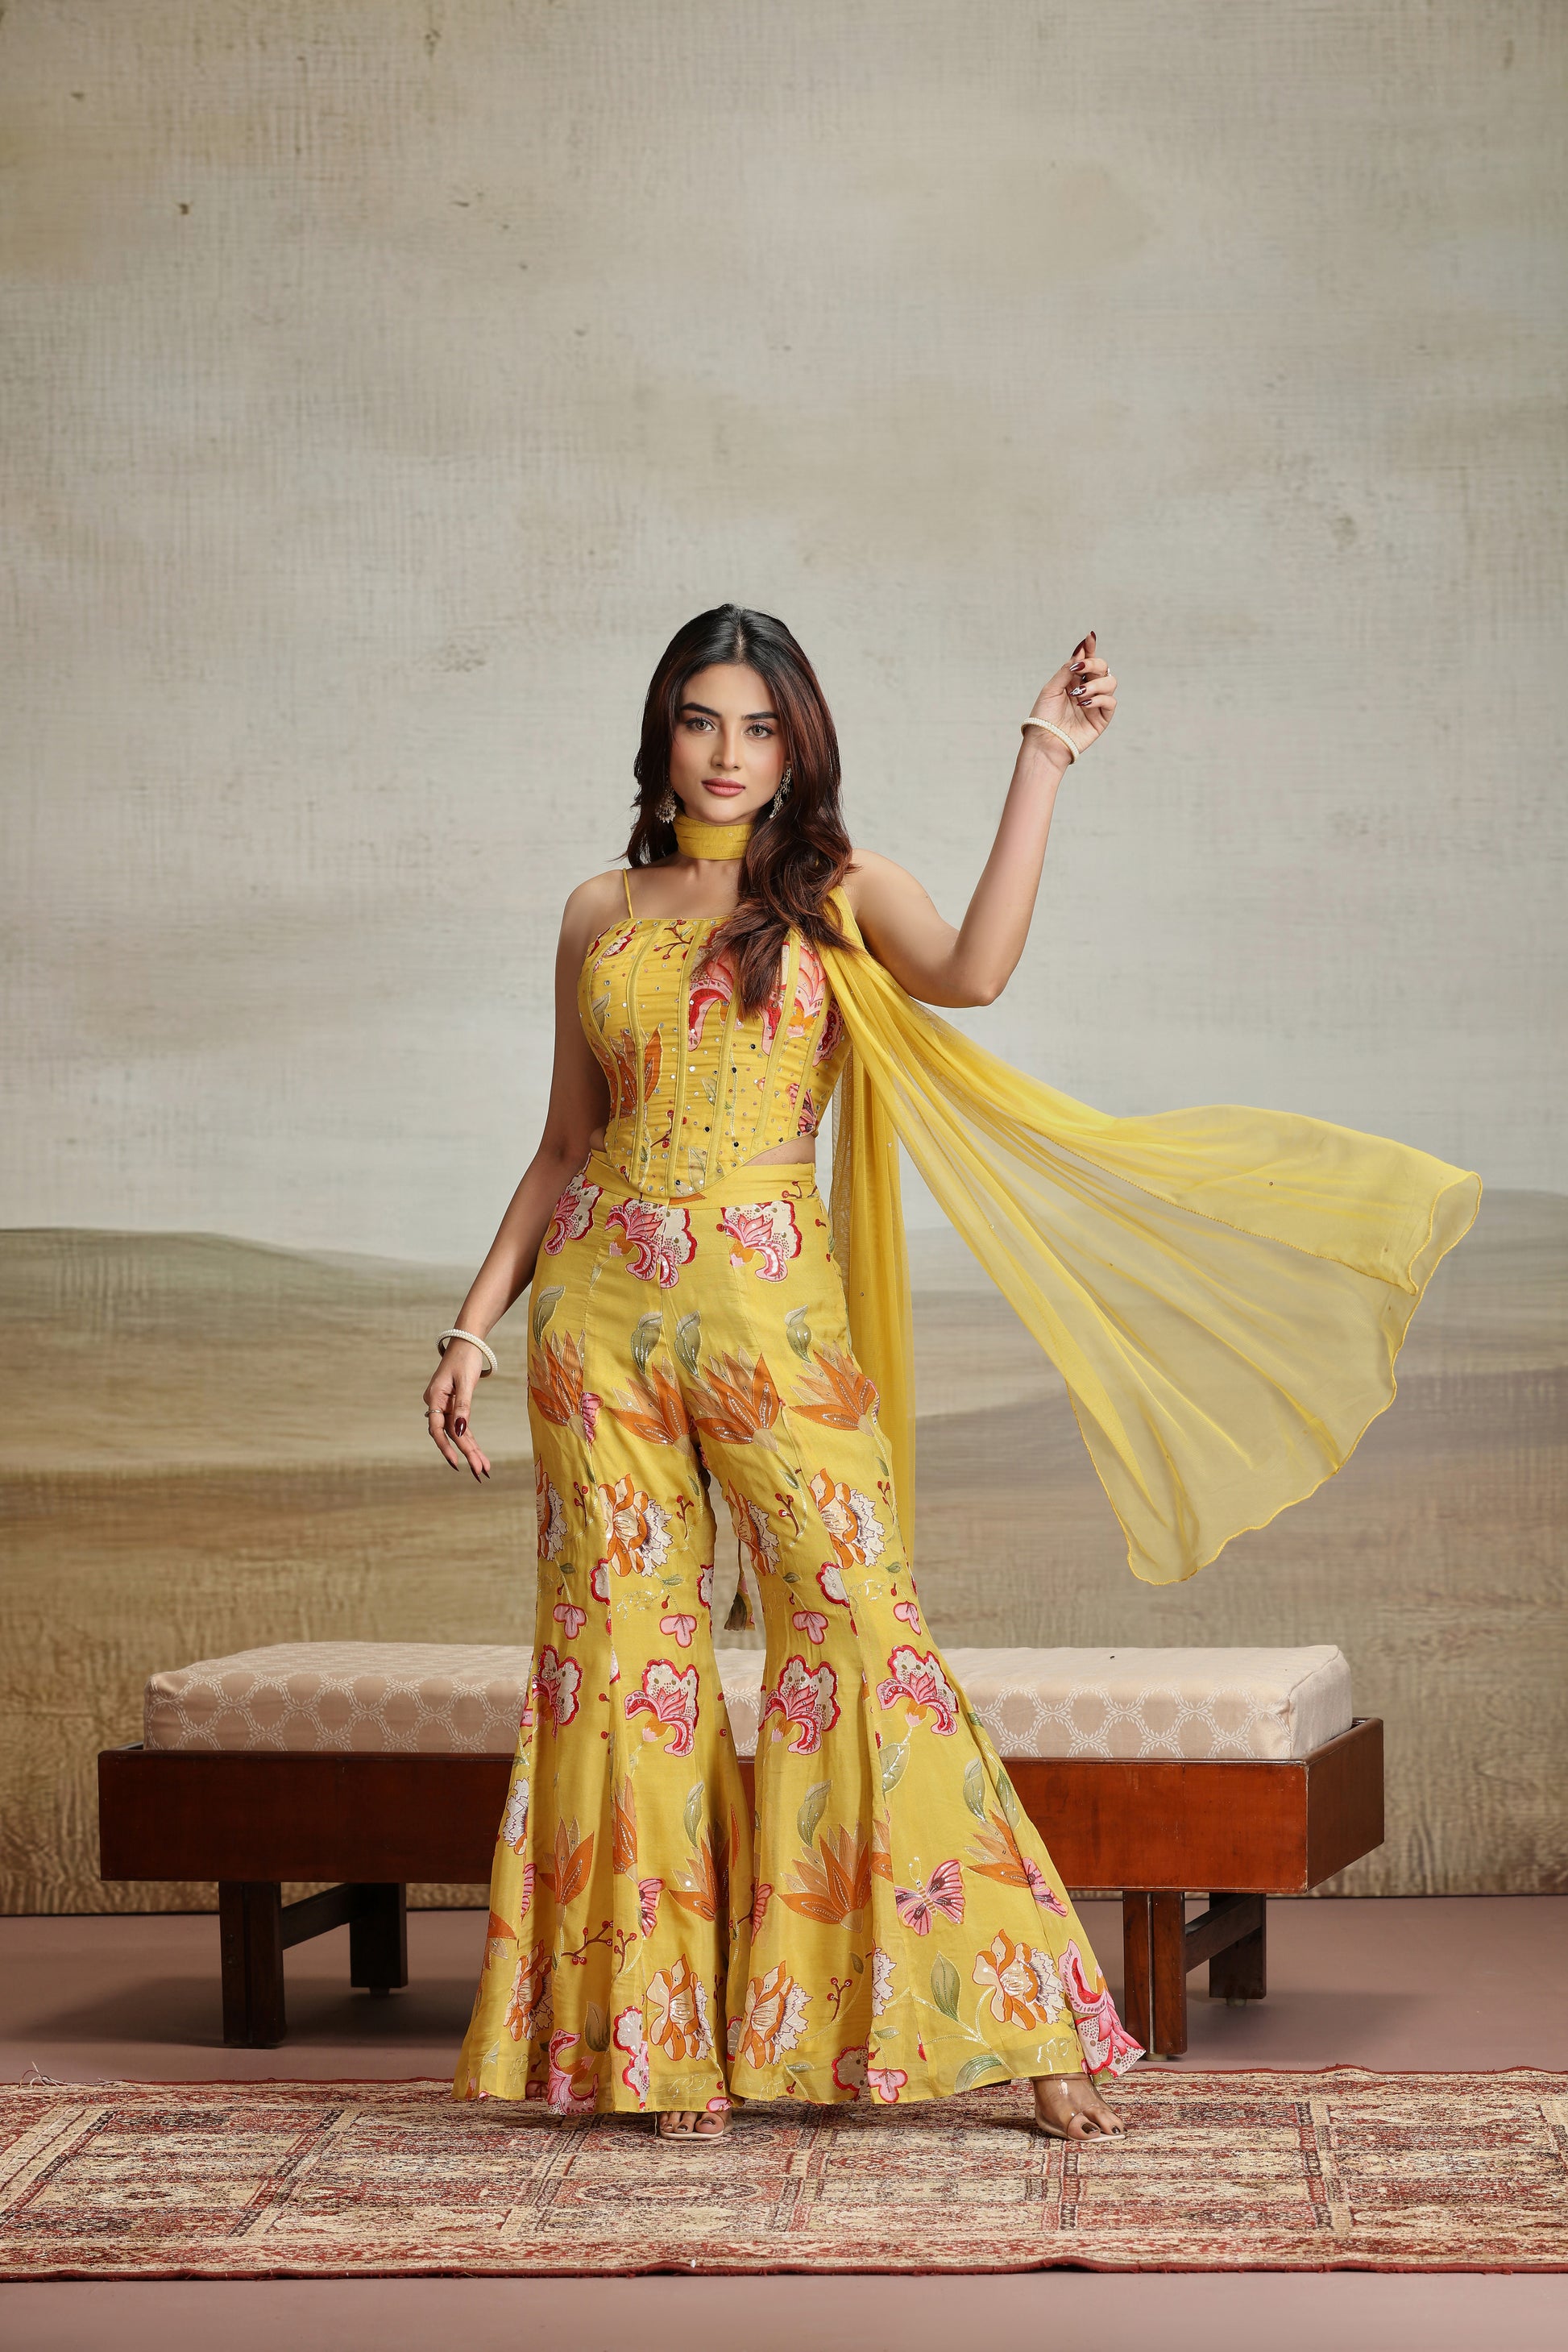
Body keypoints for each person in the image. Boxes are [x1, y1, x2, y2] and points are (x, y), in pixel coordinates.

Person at [429, 604, 1479, 2144]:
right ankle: (658, 2056)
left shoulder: (837, 892)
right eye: (702, 721)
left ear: (799, 746)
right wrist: (471, 1328)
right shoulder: (598, 908)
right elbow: (566, 1146)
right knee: (621, 1676)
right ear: (660, 732)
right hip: (594, 1338)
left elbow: (976, 973)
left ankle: (1023, 2020)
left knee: (862, 1639)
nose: (728, 756)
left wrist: (1042, 755)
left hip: (773, 1328)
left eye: (760, 727)